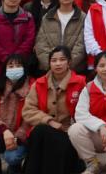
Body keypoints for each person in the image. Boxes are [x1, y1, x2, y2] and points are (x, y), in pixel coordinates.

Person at [22, 46, 87, 174]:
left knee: (42, 134)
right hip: (46, 130)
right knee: (39, 131)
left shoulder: (81, 82)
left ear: (69, 62)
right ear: (49, 63)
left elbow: (88, 111)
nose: (58, 63)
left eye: (62, 60)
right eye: (54, 60)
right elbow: (28, 111)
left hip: (69, 133)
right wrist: (49, 121)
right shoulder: (39, 83)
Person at [34, 0, 87, 75]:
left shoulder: (82, 17)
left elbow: (81, 46)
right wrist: (53, 64)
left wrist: (67, 65)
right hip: (49, 71)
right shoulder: (48, 17)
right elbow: (41, 44)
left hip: (75, 70)